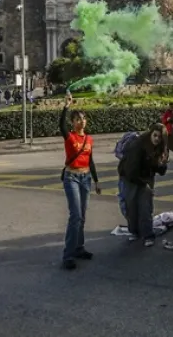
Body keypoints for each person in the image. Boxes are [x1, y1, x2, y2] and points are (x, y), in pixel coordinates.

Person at [59, 92, 101, 270]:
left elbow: (90, 160)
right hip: (72, 178)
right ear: (73, 123)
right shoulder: (70, 137)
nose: (81, 122)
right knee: (75, 215)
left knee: (82, 216)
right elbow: (61, 126)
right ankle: (67, 256)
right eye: (77, 119)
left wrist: (97, 181)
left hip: (86, 178)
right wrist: (66, 107)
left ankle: (79, 248)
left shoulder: (89, 139)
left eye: (83, 119)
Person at [119, 122, 168, 247]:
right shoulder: (138, 145)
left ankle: (148, 235)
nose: (157, 139)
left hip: (146, 177)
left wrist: (163, 163)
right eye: (155, 135)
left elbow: (160, 171)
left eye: (160, 137)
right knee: (132, 207)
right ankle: (135, 232)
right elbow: (131, 171)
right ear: (150, 134)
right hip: (130, 178)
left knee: (146, 208)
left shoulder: (160, 148)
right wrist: (144, 184)